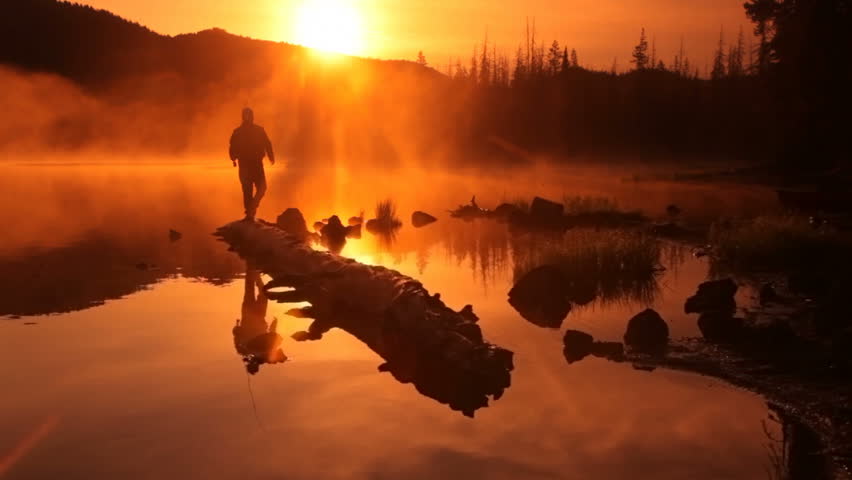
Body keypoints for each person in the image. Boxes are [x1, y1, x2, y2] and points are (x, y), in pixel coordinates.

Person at [229, 108, 275, 221]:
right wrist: (233, 157)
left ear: (252, 116)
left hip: (256, 164)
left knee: (262, 188)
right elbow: (232, 146)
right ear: (243, 117)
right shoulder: (237, 132)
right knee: (247, 191)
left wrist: (271, 156)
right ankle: (250, 215)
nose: (248, 117)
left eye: (249, 115)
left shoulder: (259, 130)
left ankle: (251, 210)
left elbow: (267, 143)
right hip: (244, 165)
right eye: (246, 115)